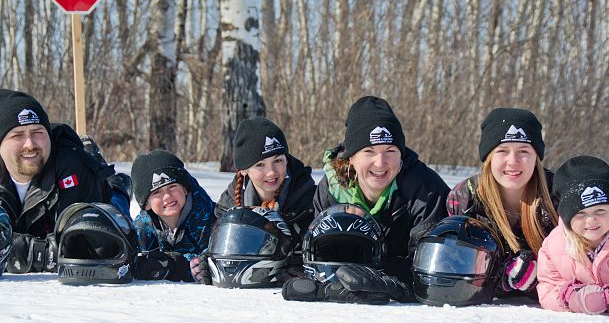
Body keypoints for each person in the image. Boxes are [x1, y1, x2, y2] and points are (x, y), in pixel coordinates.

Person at [311, 95, 450, 286]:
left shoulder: (425, 189)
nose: (380, 162)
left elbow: (430, 266)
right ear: (351, 157)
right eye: (369, 151)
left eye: (390, 151)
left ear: (401, 155)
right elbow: (316, 255)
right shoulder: (331, 189)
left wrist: (379, 276)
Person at [0, 89, 130, 274]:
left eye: (37, 132)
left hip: (93, 191)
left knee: (116, 212)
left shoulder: (75, 169)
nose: (30, 144)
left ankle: (117, 186)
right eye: (17, 135)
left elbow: (88, 244)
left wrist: (21, 250)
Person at [446, 107, 557, 297]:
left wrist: (538, 275)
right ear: (488, 157)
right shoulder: (465, 197)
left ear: (536, 157)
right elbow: (453, 262)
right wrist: (499, 279)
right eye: (502, 151)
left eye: (523, 151)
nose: (512, 161)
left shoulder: (557, 194)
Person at [190, 116, 315, 283]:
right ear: (243, 170)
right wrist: (209, 265)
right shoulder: (230, 205)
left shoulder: (307, 199)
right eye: (260, 165)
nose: (271, 172)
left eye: (278, 160)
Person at [537, 156, 609, 316]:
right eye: (580, 214)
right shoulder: (554, 246)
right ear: (567, 217)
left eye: (600, 211)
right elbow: (547, 288)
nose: (591, 220)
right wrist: (569, 297)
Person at [131, 149, 216, 282]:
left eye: (172, 186)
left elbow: (220, 258)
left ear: (185, 188)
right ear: (146, 204)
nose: (167, 196)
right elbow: (127, 256)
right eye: (157, 192)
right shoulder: (142, 225)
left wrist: (177, 266)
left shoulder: (212, 219)